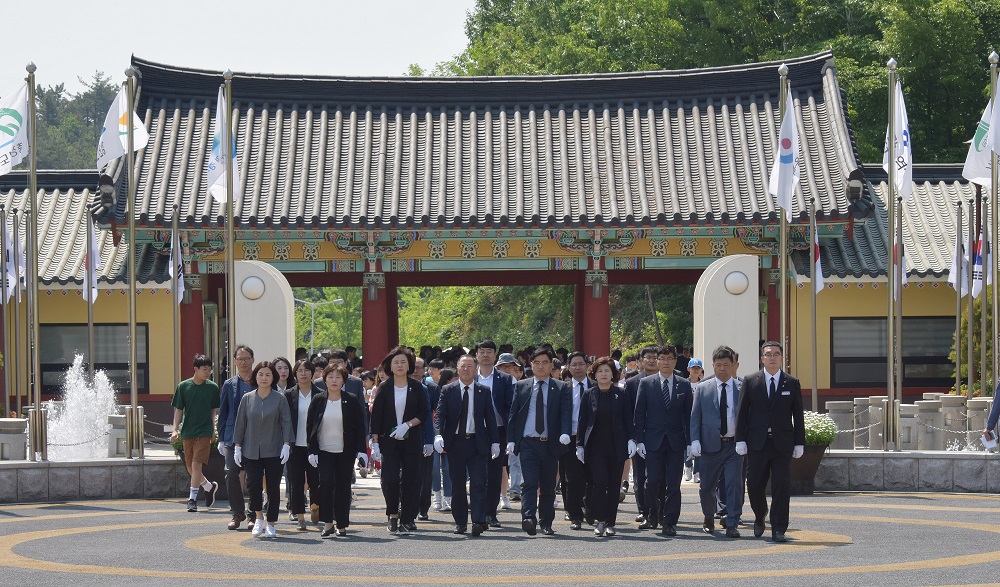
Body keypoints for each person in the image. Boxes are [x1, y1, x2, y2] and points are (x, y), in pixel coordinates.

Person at [735, 341, 805, 542]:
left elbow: (798, 415)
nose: (772, 357)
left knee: (781, 486)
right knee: (755, 484)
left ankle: (779, 528)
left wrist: (800, 442)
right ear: (762, 358)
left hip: (782, 443)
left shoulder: (791, 382)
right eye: (768, 354)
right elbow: (742, 414)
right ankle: (760, 515)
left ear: (782, 358)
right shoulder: (750, 381)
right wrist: (740, 440)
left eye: (776, 354)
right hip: (757, 442)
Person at [507, 348, 571, 536]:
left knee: (548, 484)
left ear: (552, 365)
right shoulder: (522, 386)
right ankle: (528, 518)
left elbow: (565, 413)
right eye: (536, 363)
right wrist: (511, 440)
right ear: (531, 365)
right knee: (530, 483)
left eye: (545, 363)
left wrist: (565, 432)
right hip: (528, 442)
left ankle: (546, 522)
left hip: (550, 443)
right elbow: (513, 415)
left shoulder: (560, 387)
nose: (540, 366)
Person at [434, 354, 500, 535]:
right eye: (463, 366)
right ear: (457, 368)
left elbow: (490, 418)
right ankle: (461, 522)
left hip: (477, 443)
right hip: (455, 443)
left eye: (470, 366)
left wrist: (495, 441)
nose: (466, 369)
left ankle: (478, 520)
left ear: (475, 368)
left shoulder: (483, 390)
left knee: (479, 483)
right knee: (458, 485)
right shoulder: (448, 390)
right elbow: (440, 416)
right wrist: (438, 436)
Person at [369, 345, 432, 534]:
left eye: (403, 362)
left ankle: (408, 517)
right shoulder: (384, 387)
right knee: (390, 478)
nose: (399, 365)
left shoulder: (417, 387)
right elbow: (376, 417)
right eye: (396, 362)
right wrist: (375, 443)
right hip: (389, 441)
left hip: (411, 438)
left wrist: (408, 424)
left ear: (409, 365)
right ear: (389, 365)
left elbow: (423, 412)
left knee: (412, 479)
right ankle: (392, 514)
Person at [633, 345, 692, 537]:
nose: (666, 362)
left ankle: (669, 522)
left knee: (673, 484)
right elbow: (639, 414)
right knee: (651, 481)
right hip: (652, 440)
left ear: (675, 361)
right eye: (662, 359)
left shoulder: (683, 384)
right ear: (657, 361)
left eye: (669, 359)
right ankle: (652, 510)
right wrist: (639, 440)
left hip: (676, 440)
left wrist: (691, 442)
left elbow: (688, 416)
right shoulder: (647, 383)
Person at [232, 361, 293, 538]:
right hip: (251, 450)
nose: (264, 378)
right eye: (261, 374)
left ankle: (272, 522)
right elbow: (240, 424)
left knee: (273, 488)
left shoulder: (279, 398)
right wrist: (237, 446)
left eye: (268, 375)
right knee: (253, 486)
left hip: (274, 449)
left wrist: (287, 444)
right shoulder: (248, 398)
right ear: (255, 377)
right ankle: (258, 517)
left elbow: (286, 422)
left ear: (273, 377)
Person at [307, 363, 368, 537]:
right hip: (324, 450)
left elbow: (359, 426)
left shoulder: (351, 399)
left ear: (344, 380)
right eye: (330, 377)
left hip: (345, 451)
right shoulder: (318, 399)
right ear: (324, 379)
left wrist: (361, 450)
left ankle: (341, 523)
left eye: (338, 377)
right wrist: (312, 450)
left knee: (343, 486)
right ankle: (327, 523)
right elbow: (310, 426)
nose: (334, 380)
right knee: (325, 484)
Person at [576, 356, 635, 537]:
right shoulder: (589, 394)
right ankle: (600, 521)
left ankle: (611, 522)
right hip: (595, 448)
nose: (603, 374)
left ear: (613, 374)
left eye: (607, 371)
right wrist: (579, 445)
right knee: (600, 483)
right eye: (600, 371)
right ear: (594, 374)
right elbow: (582, 421)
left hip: (616, 447)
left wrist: (632, 439)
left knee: (613, 485)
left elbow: (628, 420)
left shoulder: (621, 394)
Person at [689, 346, 743, 537]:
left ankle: (732, 522)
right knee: (707, 487)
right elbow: (695, 416)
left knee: (734, 485)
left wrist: (745, 439)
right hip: (709, 445)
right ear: (712, 366)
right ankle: (708, 516)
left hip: (734, 445)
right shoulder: (703, 388)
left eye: (726, 365)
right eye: (718, 365)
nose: (722, 369)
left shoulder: (741, 388)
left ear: (733, 365)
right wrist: (694, 440)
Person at [170, 354, 220, 513]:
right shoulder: (183, 387)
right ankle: (208, 486)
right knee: (191, 467)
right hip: (188, 431)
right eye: (205, 369)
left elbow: (214, 410)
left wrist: (212, 429)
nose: (208, 372)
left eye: (209, 369)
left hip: (204, 431)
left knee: (197, 464)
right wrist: (175, 429)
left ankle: (192, 499)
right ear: (195, 369)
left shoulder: (212, 387)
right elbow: (178, 410)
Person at [474, 340, 515, 528]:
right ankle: (477, 512)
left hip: (497, 432)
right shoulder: (470, 377)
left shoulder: (505, 379)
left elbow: (511, 408)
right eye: (481, 352)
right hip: (473, 431)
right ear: (476, 355)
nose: (485, 355)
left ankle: (491, 513)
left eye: (489, 351)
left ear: (495, 355)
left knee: (494, 474)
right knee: (476, 475)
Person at [217, 344, 256, 530]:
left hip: (256, 437)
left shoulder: (261, 381)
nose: (243, 362)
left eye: (246, 358)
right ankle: (237, 512)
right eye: (239, 359)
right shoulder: (229, 384)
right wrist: (221, 438)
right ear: (234, 361)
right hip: (233, 437)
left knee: (255, 477)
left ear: (252, 360)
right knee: (231, 473)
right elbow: (223, 412)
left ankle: (253, 515)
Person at [623, 345, 660, 524]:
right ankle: (644, 510)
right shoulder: (631, 383)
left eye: (655, 357)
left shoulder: (672, 379)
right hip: (640, 436)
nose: (652, 360)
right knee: (640, 475)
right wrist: (632, 437)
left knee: (661, 475)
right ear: (640, 361)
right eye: (648, 357)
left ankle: (658, 509)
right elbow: (628, 413)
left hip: (663, 435)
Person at [285, 359, 322, 530]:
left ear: (313, 373)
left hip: (315, 446)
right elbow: (284, 421)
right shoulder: (288, 395)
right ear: (295, 374)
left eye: (307, 370)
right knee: (296, 482)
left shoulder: (321, 394)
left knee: (315, 480)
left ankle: (315, 506)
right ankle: (299, 515)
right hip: (295, 446)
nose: (304, 373)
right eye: (300, 370)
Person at [561, 351, 591, 529]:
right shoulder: (562, 387)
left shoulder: (595, 386)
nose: (578, 368)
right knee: (571, 477)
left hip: (592, 438)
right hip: (570, 437)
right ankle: (574, 515)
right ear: (569, 367)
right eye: (574, 365)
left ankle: (590, 509)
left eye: (581, 364)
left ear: (587, 366)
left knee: (591, 476)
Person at [683, 357, 706, 482]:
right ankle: (688, 467)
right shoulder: (683, 383)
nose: (696, 370)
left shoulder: (704, 384)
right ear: (688, 369)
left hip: (700, 418)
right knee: (687, 443)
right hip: (686, 417)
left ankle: (698, 470)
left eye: (698, 368)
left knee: (699, 442)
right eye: (693, 368)